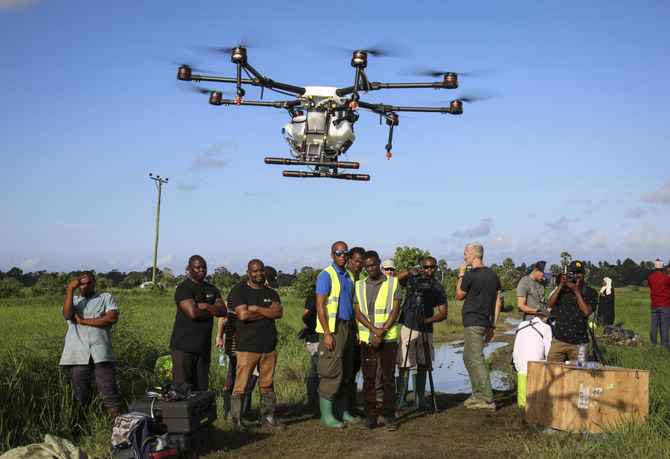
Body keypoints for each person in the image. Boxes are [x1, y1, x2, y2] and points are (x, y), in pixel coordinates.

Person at [228, 259, 286, 432]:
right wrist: (268, 312)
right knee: (241, 386)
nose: (259, 274)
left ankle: (268, 418)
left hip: (268, 347)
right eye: (255, 271)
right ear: (248, 273)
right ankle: (237, 422)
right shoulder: (239, 291)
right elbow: (243, 315)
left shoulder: (271, 293)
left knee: (267, 384)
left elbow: (279, 313)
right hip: (247, 347)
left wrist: (255, 309)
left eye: (261, 271)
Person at [59, 271, 122, 420]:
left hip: (102, 353)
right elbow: (67, 315)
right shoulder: (72, 300)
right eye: (81, 284)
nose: (85, 286)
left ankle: (120, 428)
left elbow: (111, 318)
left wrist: (82, 321)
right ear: (77, 285)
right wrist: (69, 289)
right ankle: (80, 429)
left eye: (89, 283)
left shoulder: (105, 298)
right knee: (81, 395)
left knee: (109, 393)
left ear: (94, 284)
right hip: (78, 354)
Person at [353, 251, 403, 431]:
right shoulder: (359, 285)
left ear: (379, 263)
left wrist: (381, 334)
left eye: (373, 265)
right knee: (368, 378)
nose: (370, 269)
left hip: (388, 339)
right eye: (366, 266)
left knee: (388, 378)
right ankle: (370, 416)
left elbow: (395, 311)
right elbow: (358, 313)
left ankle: (389, 416)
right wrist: (375, 332)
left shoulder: (393, 283)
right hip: (368, 340)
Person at [315, 241, 359, 428]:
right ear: (332, 255)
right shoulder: (326, 275)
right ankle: (327, 416)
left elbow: (352, 305)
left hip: (347, 327)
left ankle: (342, 411)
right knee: (331, 370)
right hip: (333, 329)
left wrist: (355, 330)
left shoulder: (349, 275)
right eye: (338, 252)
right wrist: (327, 333)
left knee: (347, 371)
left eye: (345, 252)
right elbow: (320, 306)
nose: (342, 255)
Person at [395, 256, 447, 411]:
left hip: (426, 328)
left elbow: (443, 313)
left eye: (431, 267)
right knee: (404, 364)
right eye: (425, 267)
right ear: (422, 267)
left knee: (424, 364)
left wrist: (427, 320)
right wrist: (410, 271)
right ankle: (402, 399)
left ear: (436, 268)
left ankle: (420, 399)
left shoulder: (438, 288)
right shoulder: (413, 279)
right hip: (408, 325)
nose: (428, 270)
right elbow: (394, 281)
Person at [170, 255, 227, 392]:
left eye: (204, 267)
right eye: (198, 267)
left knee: (201, 388)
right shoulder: (184, 288)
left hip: (203, 347)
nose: (202, 270)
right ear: (190, 269)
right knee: (182, 388)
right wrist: (212, 309)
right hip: (183, 347)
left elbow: (222, 311)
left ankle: (201, 414)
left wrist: (204, 306)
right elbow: (193, 313)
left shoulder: (212, 289)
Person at [456, 243, 502, 410]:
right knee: (468, 357)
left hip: (474, 322)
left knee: (476, 359)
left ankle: (488, 400)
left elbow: (459, 295)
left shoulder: (470, 275)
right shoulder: (493, 275)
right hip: (483, 322)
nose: (464, 257)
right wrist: (493, 326)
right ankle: (477, 394)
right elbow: (498, 302)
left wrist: (461, 275)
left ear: (473, 256)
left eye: (465, 254)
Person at [546, 261, 598, 362]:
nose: (577, 276)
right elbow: (550, 304)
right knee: (551, 371)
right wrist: (560, 285)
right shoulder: (562, 290)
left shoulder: (590, 292)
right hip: (559, 340)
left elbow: (587, 312)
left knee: (578, 374)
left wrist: (576, 291)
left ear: (583, 274)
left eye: (579, 273)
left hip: (579, 343)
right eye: (573, 273)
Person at [512, 309, 552, 407]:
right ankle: (537, 403)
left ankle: (521, 405)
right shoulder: (546, 327)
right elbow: (548, 350)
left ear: (535, 316)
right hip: (536, 365)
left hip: (518, 363)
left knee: (523, 379)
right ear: (546, 318)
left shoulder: (521, 324)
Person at [345, 246, 366, 416]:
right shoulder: (346, 278)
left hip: (362, 330)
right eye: (357, 261)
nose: (359, 265)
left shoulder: (363, 278)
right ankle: (345, 407)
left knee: (355, 368)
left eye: (362, 262)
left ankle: (352, 405)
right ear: (349, 260)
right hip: (349, 329)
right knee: (347, 369)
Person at [299, 282, 320, 411]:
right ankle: (313, 400)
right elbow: (306, 314)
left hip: (316, 335)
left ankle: (314, 400)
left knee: (316, 368)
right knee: (316, 368)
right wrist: (310, 325)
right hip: (314, 337)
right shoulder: (314, 295)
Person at [648, 260, 670, 349]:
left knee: (654, 324)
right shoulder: (667, 278)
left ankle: (653, 343)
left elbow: (651, 286)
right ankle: (665, 345)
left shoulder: (650, 277)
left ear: (655, 268)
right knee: (664, 325)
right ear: (663, 268)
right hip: (665, 304)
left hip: (654, 304)